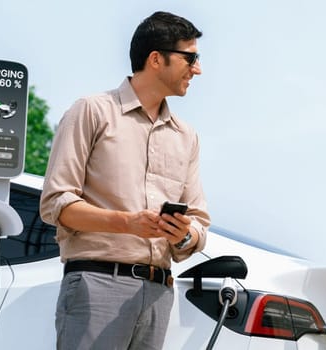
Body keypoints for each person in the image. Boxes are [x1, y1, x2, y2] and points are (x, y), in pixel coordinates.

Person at [39, 11, 209, 350]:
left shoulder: (186, 136)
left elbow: (199, 224)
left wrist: (184, 234)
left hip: (159, 294)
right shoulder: (91, 111)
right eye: (190, 58)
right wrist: (127, 223)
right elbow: (56, 204)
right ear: (156, 59)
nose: (198, 69)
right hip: (97, 285)